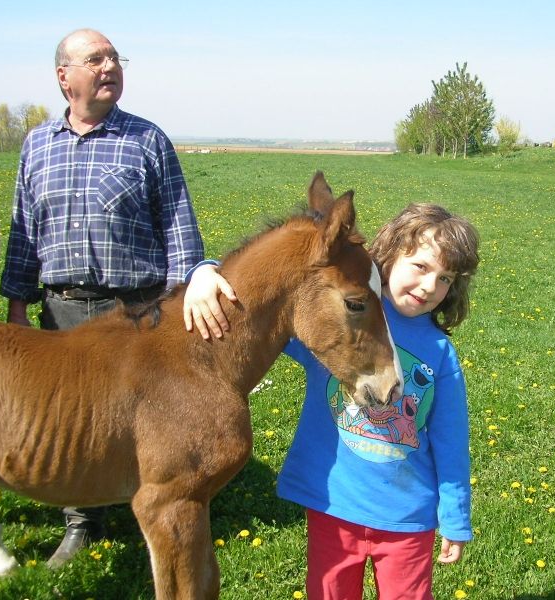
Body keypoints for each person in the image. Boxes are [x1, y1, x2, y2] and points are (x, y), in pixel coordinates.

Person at [0, 28, 232, 567]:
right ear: (65, 77)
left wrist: (190, 291)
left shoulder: (147, 140)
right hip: (62, 307)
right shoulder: (37, 144)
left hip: (137, 311)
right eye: (95, 59)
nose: (109, 66)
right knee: (74, 420)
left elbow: (178, 226)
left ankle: (162, 502)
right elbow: (23, 233)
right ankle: (81, 523)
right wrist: (17, 303)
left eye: (114, 58)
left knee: (144, 421)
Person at [185, 203, 479, 598]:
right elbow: (264, 297)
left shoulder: (440, 352)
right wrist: (206, 272)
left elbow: (451, 441)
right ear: (388, 256)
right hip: (334, 507)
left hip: (407, 518)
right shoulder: (340, 315)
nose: (430, 287)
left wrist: (455, 518)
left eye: (445, 278)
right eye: (422, 267)